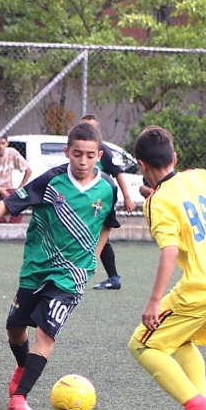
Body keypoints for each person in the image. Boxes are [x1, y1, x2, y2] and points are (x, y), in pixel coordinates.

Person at [0, 123, 120, 410]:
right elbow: (8, 204)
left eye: (90, 155)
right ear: (67, 152)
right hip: (37, 267)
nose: (83, 161)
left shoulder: (108, 188)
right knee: (15, 328)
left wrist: (93, 258)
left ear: (100, 155)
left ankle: (19, 397)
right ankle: (22, 365)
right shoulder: (51, 181)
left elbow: (107, 223)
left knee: (46, 333)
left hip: (73, 275)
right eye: (77, 154)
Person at [128, 125, 206, 410]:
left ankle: (195, 405)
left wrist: (154, 301)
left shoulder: (156, 203)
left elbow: (170, 249)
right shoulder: (197, 178)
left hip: (199, 289)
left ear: (141, 166)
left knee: (141, 344)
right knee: (181, 341)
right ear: (175, 157)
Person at [79, 114, 136, 290]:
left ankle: (113, 277)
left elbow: (117, 173)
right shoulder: (80, 150)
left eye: (91, 128)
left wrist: (127, 197)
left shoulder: (102, 152)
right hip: (86, 199)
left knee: (101, 235)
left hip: (101, 200)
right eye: (83, 128)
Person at [0, 135, 32, 223]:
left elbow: (28, 171)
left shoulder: (12, 153)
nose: (0, 146)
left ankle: (14, 223)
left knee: (22, 196)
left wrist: (20, 187)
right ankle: (2, 222)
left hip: (8, 186)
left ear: (7, 143)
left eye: (3, 143)